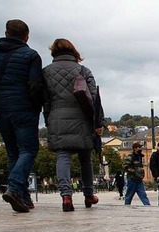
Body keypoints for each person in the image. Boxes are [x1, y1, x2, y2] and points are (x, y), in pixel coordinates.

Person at [0, 19, 44, 213]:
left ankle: (22, 196)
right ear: (26, 36)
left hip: (0, 110)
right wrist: (36, 106)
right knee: (29, 150)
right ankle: (14, 187)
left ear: (6, 33)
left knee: (13, 152)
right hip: (23, 108)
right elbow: (35, 85)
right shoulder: (30, 55)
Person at [43, 38, 103, 212]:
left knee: (63, 157)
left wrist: (48, 119)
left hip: (56, 116)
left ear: (54, 52)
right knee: (85, 159)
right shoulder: (83, 70)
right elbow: (94, 99)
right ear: (74, 52)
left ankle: (66, 196)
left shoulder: (46, 72)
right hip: (82, 118)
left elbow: (44, 100)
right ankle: (89, 195)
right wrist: (98, 123)